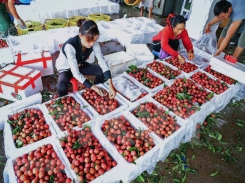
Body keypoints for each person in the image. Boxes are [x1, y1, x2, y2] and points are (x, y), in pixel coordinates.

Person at [56, 18, 117, 99]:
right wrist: (94, 87)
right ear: (80, 36)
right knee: (61, 86)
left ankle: (98, 92)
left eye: (94, 40)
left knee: (101, 71)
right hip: (66, 68)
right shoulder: (70, 46)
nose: (92, 44)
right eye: (89, 41)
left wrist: (111, 85)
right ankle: (65, 103)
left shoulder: (93, 43)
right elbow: (75, 73)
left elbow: (102, 61)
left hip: (79, 65)